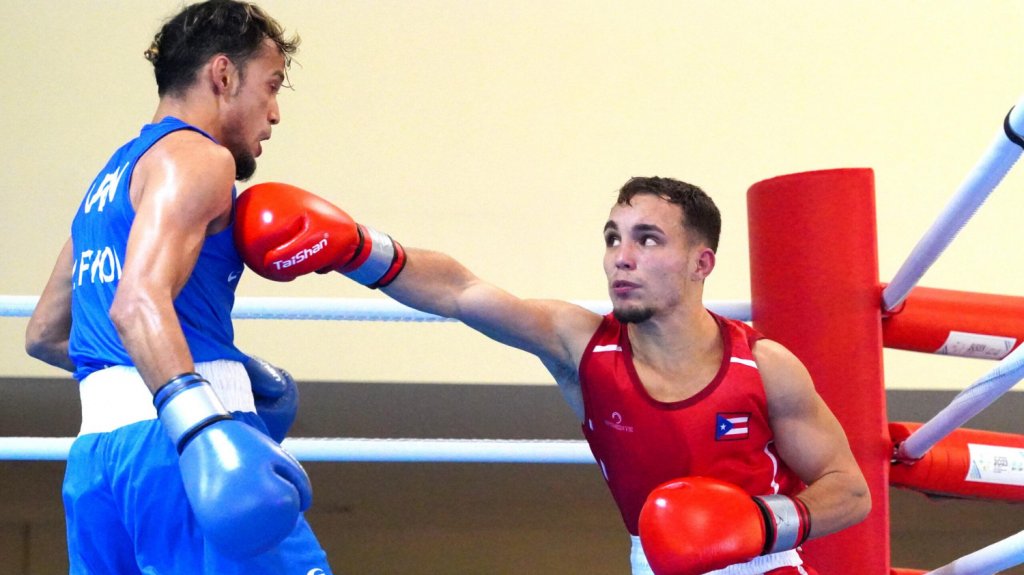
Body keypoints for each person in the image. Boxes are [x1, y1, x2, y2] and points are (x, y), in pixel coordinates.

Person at [234, 176, 871, 575]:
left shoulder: (763, 365)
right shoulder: (582, 346)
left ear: (701, 263)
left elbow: (851, 491)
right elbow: (461, 293)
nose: (621, 258)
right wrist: (354, 247)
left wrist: (758, 523)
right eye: (613, 238)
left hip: (764, 565)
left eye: (648, 240)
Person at [23, 2, 333, 573]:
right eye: (270, 86)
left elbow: (44, 334)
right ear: (223, 75)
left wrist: (217, 364)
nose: (275, 113)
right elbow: (136, 302)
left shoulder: (111, 179)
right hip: (178, 444)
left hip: (97, 462)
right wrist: (203, 418)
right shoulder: (198, 159)